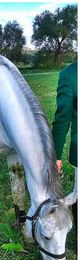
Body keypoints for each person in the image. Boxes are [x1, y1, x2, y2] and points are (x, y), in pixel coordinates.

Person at [52, 61, 77, 233]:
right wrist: (56, 155)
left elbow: (62, 118)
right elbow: (63, 119)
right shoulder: (71, 74)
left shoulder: (70, 73)